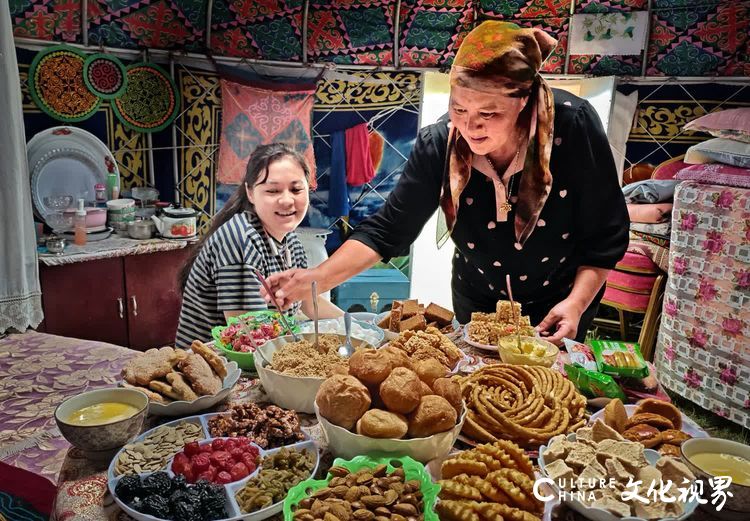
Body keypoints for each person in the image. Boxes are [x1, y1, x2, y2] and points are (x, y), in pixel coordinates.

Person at [263, 21, 629, 344]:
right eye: (460, 108)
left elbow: (603, 235)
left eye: (489, 113)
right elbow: (388, 230)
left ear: (524, 102)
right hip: (478, 297)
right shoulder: (441, 143)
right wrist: (315, 281)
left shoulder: (572, 127)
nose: (471, 126)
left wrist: (577, 303)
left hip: (560, 300)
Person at [175, 143, 341, 349]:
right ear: (251, 193)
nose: (287, 200)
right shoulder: (239, 238)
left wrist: (362, 328)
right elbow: (248, 337)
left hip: (260, 353)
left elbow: (308, 303)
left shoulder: (292, 240)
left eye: (296, 189)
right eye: (273, 190)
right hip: (213, 367)